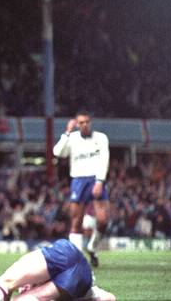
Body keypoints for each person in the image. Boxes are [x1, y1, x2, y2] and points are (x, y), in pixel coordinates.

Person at [0, 239, 116, 301]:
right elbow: (110, 298)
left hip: (68, 259)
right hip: (76, 269)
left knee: (5, 283)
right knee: (11, 288)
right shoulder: (86, 290)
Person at [53, 111, 109, 267]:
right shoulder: (72, 138)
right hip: (78, 180)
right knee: (76, 221)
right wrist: (67, 132)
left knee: (103, 220)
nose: (84, 125)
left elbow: (105, 159)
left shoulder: (101, 137)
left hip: (96, 179)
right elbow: (57, 152)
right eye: (81, 122)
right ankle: (78, 260)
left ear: (91, 122)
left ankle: (92, 246)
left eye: (87, 122)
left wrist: (100, 181)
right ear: (77, 124)